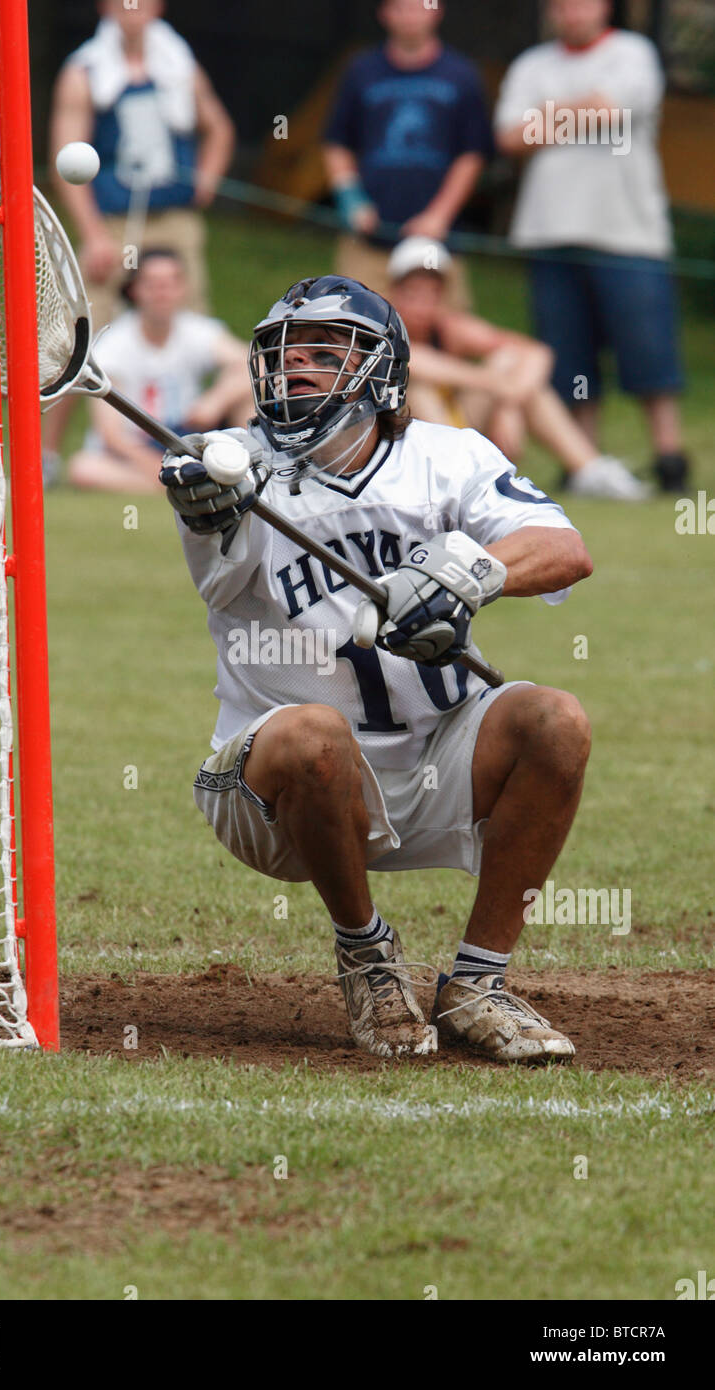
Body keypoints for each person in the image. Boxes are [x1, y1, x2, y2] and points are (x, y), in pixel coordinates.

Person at [158, 274, 594, 1064]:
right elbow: (220, 564)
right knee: (315, 735)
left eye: (324, 353)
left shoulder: (448, 455)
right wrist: (204, 506)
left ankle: (478, 984)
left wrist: (463, 579)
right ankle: (367, 957)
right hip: (276, 788)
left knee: (555, 719)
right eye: (284, 355)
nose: (295, 370)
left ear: (382, 372)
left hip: (435, 761)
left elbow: (565, 551)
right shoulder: (233, 469)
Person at [494, 0, 690, 492]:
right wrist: (582, 110)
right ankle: (585, 463)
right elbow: (510, 138)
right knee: (569, 355)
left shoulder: (633, 53)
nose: (572, 11)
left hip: (628, 233)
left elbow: (612, 110)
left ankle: (670, 460)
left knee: (648, 352)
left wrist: (548, 117)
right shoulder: (531, 64)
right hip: (549, 232)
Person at [45, 0, 235, 477]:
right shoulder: (84, 71)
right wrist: (91, 236)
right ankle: (45, 459)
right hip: (111, 222)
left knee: (191, 326)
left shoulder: (178, 63)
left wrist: (207, 180)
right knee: (79, 342)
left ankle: (213, 453)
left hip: (173, 220)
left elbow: (220, 129)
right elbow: (64, 162)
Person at [388, 236, 650, 499]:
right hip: (405, 448)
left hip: (456, 425)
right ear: (395, 292)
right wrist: (496, 382)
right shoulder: (383, 329)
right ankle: (451, 476)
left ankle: (589, 470)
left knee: (510, 363)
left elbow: (538, 353)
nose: (422, 305)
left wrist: (508, 404)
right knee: (420, 388)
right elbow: (418, 363)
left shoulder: (451, 327)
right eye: (413, 293)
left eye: (431, 294)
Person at [322, 0, 492, 300]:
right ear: (384, 14)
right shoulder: (361, 70)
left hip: (438, 247)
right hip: (368, 242)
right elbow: (337, 143)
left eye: (419, 6)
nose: (410, 16)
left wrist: (438, 216)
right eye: (400, 7)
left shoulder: (462, 75)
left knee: (441, 337)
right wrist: (351, 199)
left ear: (437, 11)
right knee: (356, 329)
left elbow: (472, 154)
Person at [68, 249, 251, 494]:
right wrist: (154, 466)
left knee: (248, 398)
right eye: (153, 284)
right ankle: (191, 482)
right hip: (141, 444)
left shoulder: (197, 330)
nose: (162, 293)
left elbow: (254, 363)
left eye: (170, 283)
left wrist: (214, 402)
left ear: (183, 288)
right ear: (134, 290)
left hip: (190, 434)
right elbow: (111, 434)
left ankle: (243, 475)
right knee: (83, 468)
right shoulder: (113, 345)